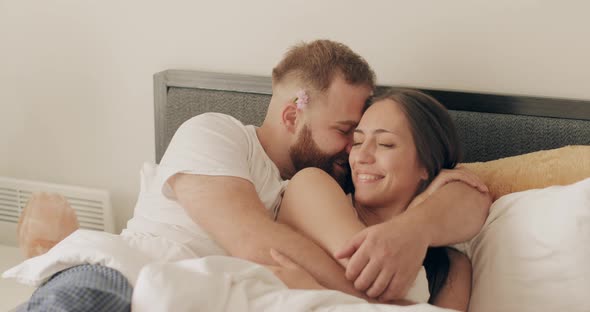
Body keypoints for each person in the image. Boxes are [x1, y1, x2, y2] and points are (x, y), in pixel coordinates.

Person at [14, 39, 489, 311]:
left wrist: (415, 229)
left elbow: (473, 196)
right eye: (347, 131)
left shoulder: (337, 178)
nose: (354, 150)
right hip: (136, 270)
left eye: (370, 139)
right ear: (291, 117)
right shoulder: (216, 134)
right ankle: (59, 251)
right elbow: (257, 245)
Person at [271, 88, 478, 311]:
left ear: (427, 164)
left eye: (385, 144)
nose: (361, 156)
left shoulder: (452, 268)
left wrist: (315, 290)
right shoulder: (312, 186)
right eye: (358, 142)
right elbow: (370, 269)